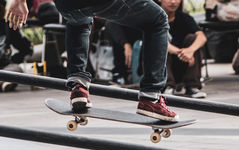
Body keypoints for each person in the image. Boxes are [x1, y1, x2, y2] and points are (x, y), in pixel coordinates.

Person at [6, 0, 179, 121]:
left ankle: (78, 86)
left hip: (66, 5)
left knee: (79, 21)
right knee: (158, 21)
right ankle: (151, 98)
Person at [160, 0, 207, 98]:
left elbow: (202, 37)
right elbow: (158, 41)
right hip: (162, 68)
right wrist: (181, 53)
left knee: (193, 38)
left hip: (183, 65)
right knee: (158, 46)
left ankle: (192, 86)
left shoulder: (184, 18)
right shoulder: (153, 18)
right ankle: (168, 86)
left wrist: (190, 50)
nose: (173, 2)